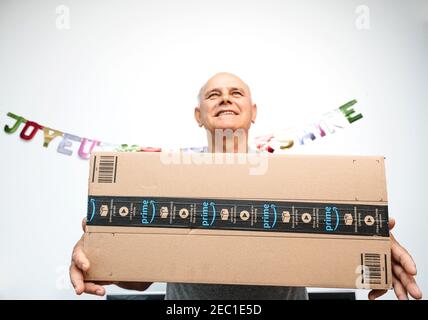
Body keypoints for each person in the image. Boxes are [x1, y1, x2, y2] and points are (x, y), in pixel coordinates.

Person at [70, 72, 422, 300]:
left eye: (236, 92)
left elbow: (342, 225)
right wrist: (100, 254)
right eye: (214, 95)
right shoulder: (164, 179)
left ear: (253, 112)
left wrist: (373, 239)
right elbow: (140, 280)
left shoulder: (297, 181)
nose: (225, 98)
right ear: (199, 115)